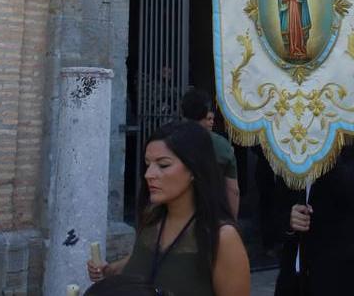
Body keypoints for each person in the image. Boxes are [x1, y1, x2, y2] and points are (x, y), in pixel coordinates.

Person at [87, 121, 250, 296]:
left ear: (194, 169)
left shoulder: (222, 238)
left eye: (163, 165)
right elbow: (146, 260)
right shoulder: (151, 218)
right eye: (148, 164)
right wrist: (110, 270)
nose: (149, 174)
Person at [275, 141, 354, 296]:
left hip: (342, 276)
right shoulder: (291, 147)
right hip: (296, 274)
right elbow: (277, 203)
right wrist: (289, 219)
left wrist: (324, 150)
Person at [180, 87, 240, 218]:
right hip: (212, 215)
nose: (211, 122)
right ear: (205, 112)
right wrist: (231, 225)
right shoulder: (222, 146)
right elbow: (233, 190)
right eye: (209, 118)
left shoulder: (168, 139)